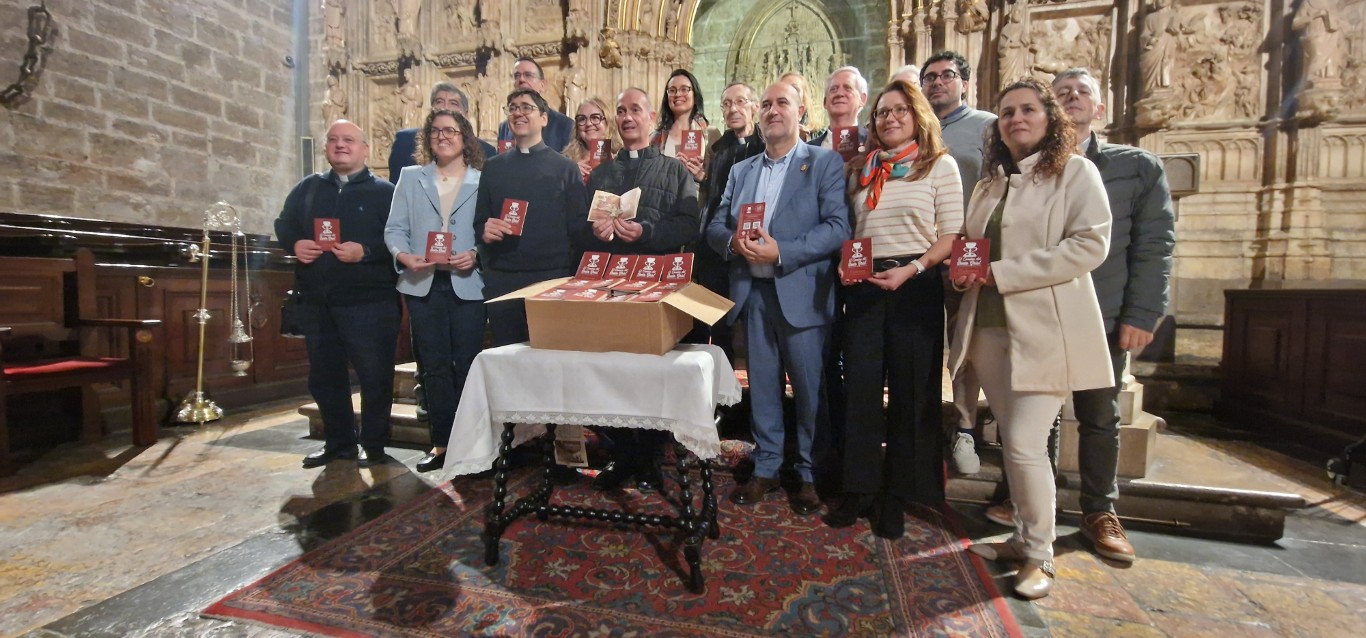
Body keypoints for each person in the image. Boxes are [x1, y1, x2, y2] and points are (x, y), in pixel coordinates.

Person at [950, 78, 1113, 599]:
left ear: (1050, 117)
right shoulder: (991, 183)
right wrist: (963, 273)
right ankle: (1022, 538)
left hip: (1045, 329)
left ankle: (1041, 554)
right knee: (1013, 443)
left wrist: (1003, 273)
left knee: (1023, 444)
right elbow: (972, 248)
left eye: (1027, 110)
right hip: (987, 327)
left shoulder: (1075, 173)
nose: (1016, 119)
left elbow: (1090, 245)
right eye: (1006, 112)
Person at [1024, 67, 1172, 563]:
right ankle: (1028, 502)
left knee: (1099, 415)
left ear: (1100, 107)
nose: (1072, 98)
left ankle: (1098, 511)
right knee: (1034, 416)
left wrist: (1143, 313)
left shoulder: (1136, 167)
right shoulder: (1027, 167)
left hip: (1101, 312)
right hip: (1037, 310)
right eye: (1062, 93)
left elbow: (1154, 245)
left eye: (1082, 92)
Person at [824, 79, 963, 538]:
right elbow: (851, 230)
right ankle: (859, 487)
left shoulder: (939, 166)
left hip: (915, 286)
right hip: (865, 287)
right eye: (883, 112)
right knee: (861, 390)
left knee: (911, 391)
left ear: (917, 115)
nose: (890, 118)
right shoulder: (861, 170)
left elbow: (951, 234)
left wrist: (913, 269)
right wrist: (846, 264)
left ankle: (898, 494)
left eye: (900, 109)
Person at [705, 81, 851, 516]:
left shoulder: (823, 163)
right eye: (766, 104)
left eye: (782, 103)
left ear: (800, 111)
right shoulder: (741, 170)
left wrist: (782, 251)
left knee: (808, 390)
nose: (772, 110)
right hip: (753, 294)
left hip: (802, 292)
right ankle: (767, 466)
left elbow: (838, 227)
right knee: (764, 388)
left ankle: (808, 472)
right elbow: (716, 223)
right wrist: (731, 242)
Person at [586, 87, 701, 493]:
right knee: (612, 371)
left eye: (636, 109)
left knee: (651, 372)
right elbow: (582, 230)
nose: (628, 117)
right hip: (610, 288)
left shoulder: (675, 171)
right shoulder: (601, 175)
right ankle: (624, 452)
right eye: (621, 111)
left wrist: (647, 231)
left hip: (654, 286)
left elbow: (689, 225)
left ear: (652, 118)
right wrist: (596, 232)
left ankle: (650, 454)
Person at [274, 120, 400, 469]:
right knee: (324, 376)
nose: (340, 145)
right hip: (318, 301)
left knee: (374, 376)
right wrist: (295, 243)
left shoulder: (386, 193)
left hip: (370, 302)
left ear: (365, 149)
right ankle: (338, 442)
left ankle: (374, 444)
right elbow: (284, 224)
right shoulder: (308, 188)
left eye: (349, 140)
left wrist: (366, 251)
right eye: (333, 140)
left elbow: (402, 240)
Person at [383, 109, 486, 473]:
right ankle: (441, 442)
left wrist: (475, 254)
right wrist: (403, 255)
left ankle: (472, 444)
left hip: (467, 284)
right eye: (436, 131)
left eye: (451, 131)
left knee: (468, 366)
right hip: (423, 284)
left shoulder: (482, 180)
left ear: (465, 137)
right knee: (433, 367)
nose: (443, 136)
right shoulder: (411, 177)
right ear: (427, 138)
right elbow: (394, 229)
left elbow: (489, 230)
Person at [921, 50, 998, 476]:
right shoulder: (914, 128)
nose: (937, 83)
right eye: (929, 77)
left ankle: (965, 426)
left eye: (946, 75)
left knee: (964, 345)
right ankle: (922, 421)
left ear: (964, 83)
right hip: (917, 256)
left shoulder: (987, 126)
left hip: (964, 255)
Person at [477, 89, 592, 347]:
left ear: (544, 118)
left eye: (526, 107)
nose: (518, 112)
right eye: (512, 107)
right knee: (508, 360)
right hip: (503, 282)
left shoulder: (565, 168)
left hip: (551, 281)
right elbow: (478, 223)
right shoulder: (492, 168)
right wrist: (485, 230)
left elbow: (578, 230)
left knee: (550, 359)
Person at [692, 82, 764, 358]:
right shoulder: (718, 148)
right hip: (720, 246)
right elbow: (715, 198)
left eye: (740, 102)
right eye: (727, 104)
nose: (733, 109)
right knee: (720, 325)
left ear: (755, 106)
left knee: (755, 327)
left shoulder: (766, 145)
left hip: (757, 245)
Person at [389, 83, 496, 179]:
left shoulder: (487, 151)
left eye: (453, 103)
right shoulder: (405, 141)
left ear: (466, 114)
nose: (445, 107)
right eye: (439, 101)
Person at [652, 69, 719, 183]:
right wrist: (669, 170)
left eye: (684, 89)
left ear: (695, 95)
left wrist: (703, 177)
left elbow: (722, 179)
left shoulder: (711, 134)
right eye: (672, 90)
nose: (678, 94)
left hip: (697, 193)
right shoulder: (655, 138)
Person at [496, 58, 575, 152]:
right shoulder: (505, 127)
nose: (521, 79)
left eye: (528, 75)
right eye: (517, 76)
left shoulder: (565, 125)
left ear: (542, 85)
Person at [807, 66, 869, 154]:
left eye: (847, 88)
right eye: (833, 89)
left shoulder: (873, 144)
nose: (839, 94)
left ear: (862, 99)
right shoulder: (806, 152)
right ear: (825, 102)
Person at [563, 96, 622, 183]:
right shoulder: (565, 162)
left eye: (595, 118)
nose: (588, 123)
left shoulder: (622, 157)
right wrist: (569, 173)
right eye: (582, 119)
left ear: (608, 123)